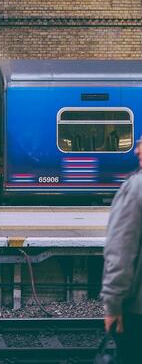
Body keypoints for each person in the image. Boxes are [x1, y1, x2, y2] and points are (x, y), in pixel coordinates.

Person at [101, 137, 142, 364]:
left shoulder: (136, 188)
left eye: (141, 143)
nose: (136, 150)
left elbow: (121, 252)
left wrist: (112, 304)